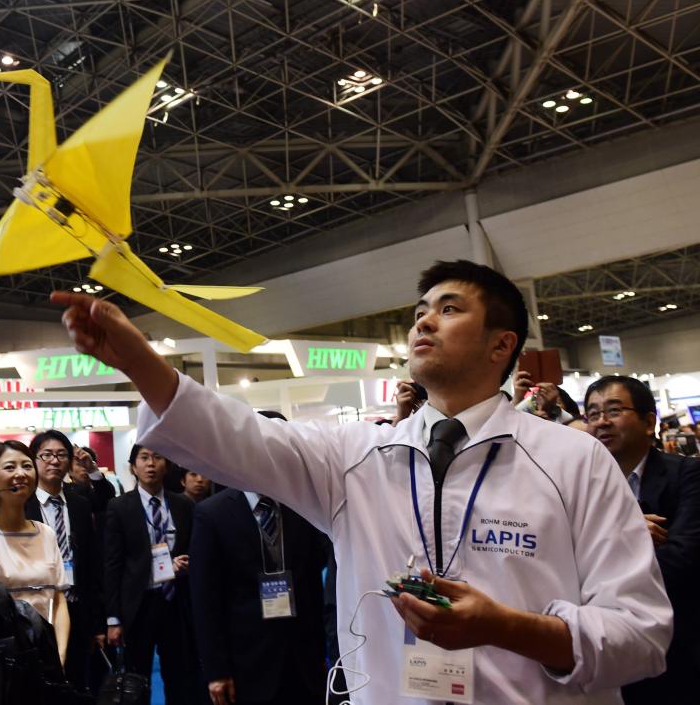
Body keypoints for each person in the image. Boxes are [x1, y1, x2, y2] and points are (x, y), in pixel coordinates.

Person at [52, 259, 672, 704]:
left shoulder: (573, 460)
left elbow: (641, 635)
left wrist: (506, 627)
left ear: (501, 345)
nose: (423, 323)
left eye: (449, 310)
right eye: (419, 312)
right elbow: (236, 438)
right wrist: (138, 361)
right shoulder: (355, 453)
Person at [584, 375, 700, 701]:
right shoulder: (583, 486)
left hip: (675, 648)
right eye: (592, 414)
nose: (601, 422)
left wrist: (600, 556)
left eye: (614, 410)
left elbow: (682, 560)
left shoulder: (687, 474)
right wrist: (627, 531)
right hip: (603, 645)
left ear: (650, 422)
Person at [189, 482, 328, 705]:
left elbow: (311, 584)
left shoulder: (299, 506)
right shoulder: (212, 513)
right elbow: (205, 599)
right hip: (246, 660)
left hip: (302, 657)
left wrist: (319, 651)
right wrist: (216, 670)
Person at [0, 440, 70, 661]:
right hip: (3, 661)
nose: (20, 474)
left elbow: (58, 601)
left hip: (47, 657)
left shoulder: (45, 534)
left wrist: (59, 655)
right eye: (10, 467)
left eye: (27, 466)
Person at [104, 445, 194, 704]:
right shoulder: (119, 507)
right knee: (137, 680)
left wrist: (188, 563)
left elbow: (195, 548)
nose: (151, 464)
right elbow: (112, 565)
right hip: (139, 605)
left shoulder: (183, 505)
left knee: (180, 676)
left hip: (177, 603)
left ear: (166, 464)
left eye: (157, 457)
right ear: (133, 466)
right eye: (144, 458)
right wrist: (113, 619)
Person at [27, 430, 103, 693]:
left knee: (77, 682)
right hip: (36, 611)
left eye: (61, 455)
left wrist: (98, 624)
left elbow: (92, 566)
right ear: (34, 460)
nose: (54, 461)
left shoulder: (80, 504)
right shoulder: (21, 506)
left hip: (78, 608)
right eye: (46, 455)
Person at [70, 443, 117, 514]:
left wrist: (92, 470)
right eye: (79, 464)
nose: (84, 467)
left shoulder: (103, 489)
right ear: (69, 470)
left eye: (88, 462)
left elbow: (108, 499)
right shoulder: (65, 494)